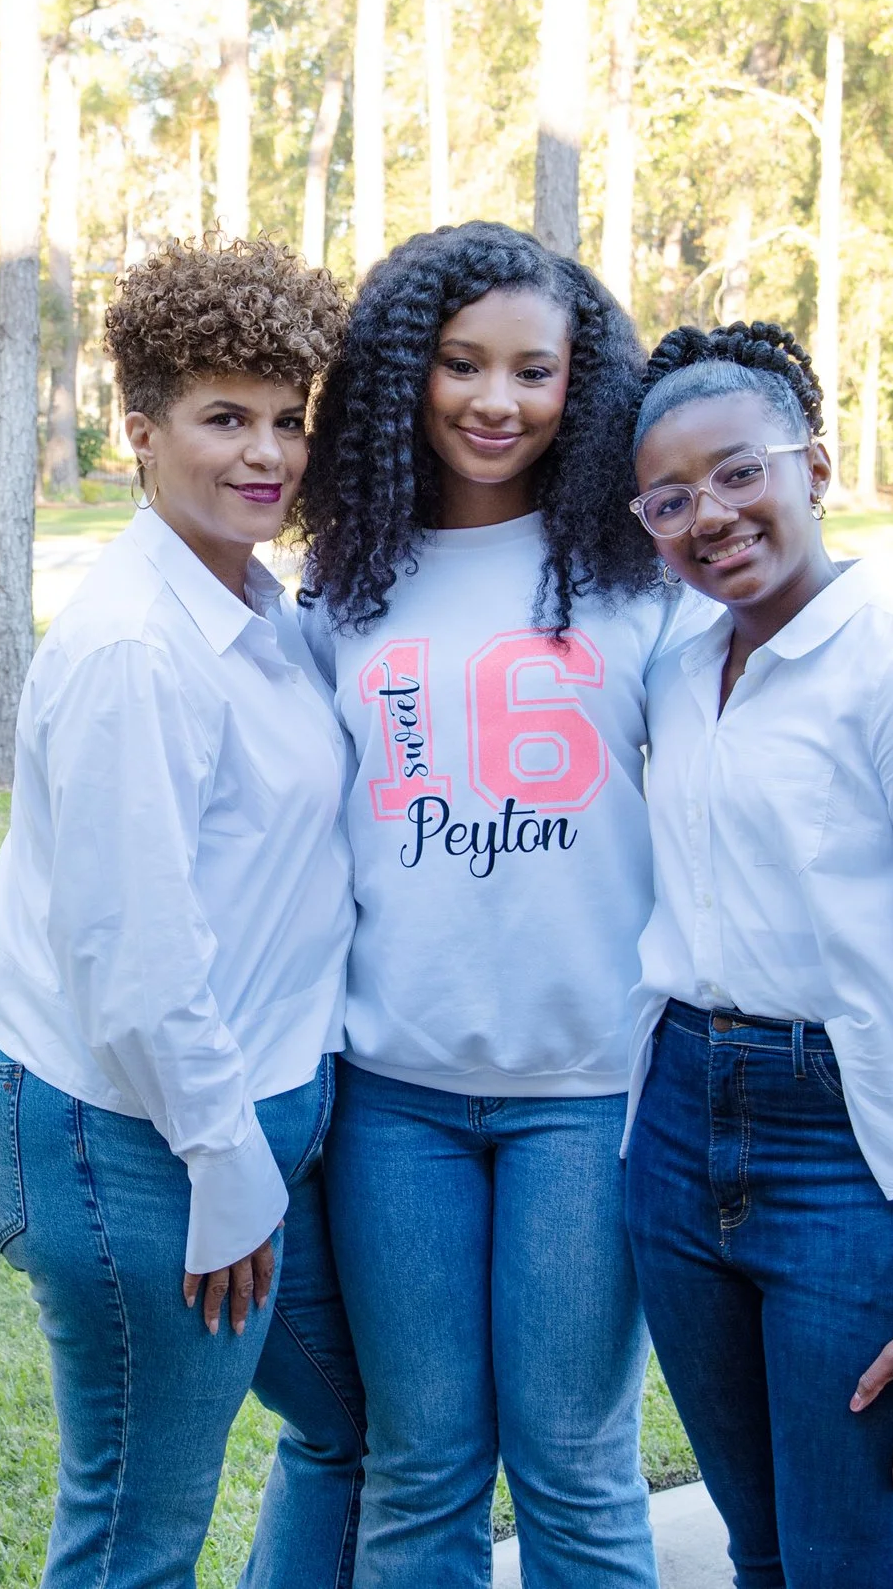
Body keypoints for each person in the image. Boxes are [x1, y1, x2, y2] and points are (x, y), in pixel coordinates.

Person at [292, 220, 705, 1587]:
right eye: (462, 365)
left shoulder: (644, 577)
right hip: (393, 1095)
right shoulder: (350, 583)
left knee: (579, 1470)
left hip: (592, 1095)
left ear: (581, 388)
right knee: (421, 1471)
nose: (495, 401)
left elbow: (787, 716)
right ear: (407, 374)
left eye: (535, 371)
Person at [620, 321, 893, 1588]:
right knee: (760, 1554)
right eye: (671, 498)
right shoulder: (675, 670)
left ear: (815, 465)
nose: (712, 515)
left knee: (847, 1567)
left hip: (848, 1164)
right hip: (679, 1137)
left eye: (740, 472)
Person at [0, 236, 366, 1587]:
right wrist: (225, 1163)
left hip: (256, 1127)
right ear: (140, 434)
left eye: (288, 420)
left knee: (354, 1428)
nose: (265, 453)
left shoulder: (260, 611)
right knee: (136, 1535)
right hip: (142, 1143)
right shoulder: (137, 651)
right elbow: (133, 958)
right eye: (223, 418)